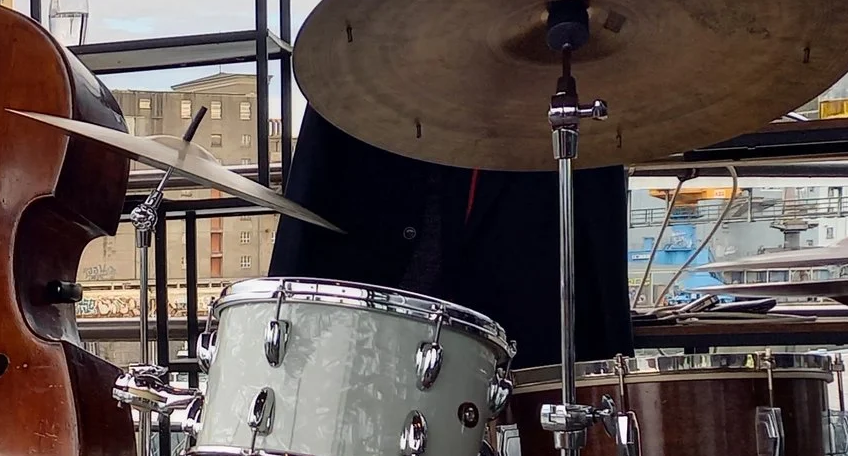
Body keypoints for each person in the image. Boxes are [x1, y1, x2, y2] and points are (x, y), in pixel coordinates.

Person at [266, 112, 631, 370]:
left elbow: (601, 244)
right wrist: (277, 342)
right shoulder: (357, 33)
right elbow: (307, 206)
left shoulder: (574, 60)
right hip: (359, 346)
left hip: (525, 349)